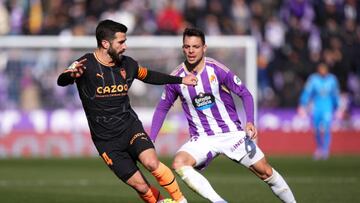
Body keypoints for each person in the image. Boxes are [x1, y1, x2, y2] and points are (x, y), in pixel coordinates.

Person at [57, 19, 198, 203]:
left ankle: (180, 200)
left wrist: (180, 80)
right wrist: (70, 76)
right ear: (105, 43)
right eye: (121, 42)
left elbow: (149, 76)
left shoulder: (128, 64)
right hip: (106, 141)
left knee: (152, 163)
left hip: (130, 128)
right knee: (140, 186)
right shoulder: (85, 64)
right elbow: (62, 79)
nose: (125, 46)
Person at [150, 27, 296, 203]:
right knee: (179, 163)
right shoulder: (176, 77)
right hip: (202, 137)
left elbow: (245, 94)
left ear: (204, 48)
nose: (191, 51)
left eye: (196, 46)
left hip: (231, 133)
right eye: (187, 46)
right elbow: (162, 108)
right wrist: (151, 139)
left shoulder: (216, 70)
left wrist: (250, 121)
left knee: (265, 171)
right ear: (183, 48)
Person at [298, 62, 340, 160]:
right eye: (321, 69)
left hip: (327, 107)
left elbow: (335, 94)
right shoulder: (313, 79)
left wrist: (337, 107)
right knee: (316, 129)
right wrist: (303, 104)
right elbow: (307, 92)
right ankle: (319, 148)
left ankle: (325, 150)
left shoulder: (332, 79)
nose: (322, 71)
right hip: (316, 107)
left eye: (324, 69)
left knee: (326, 128)